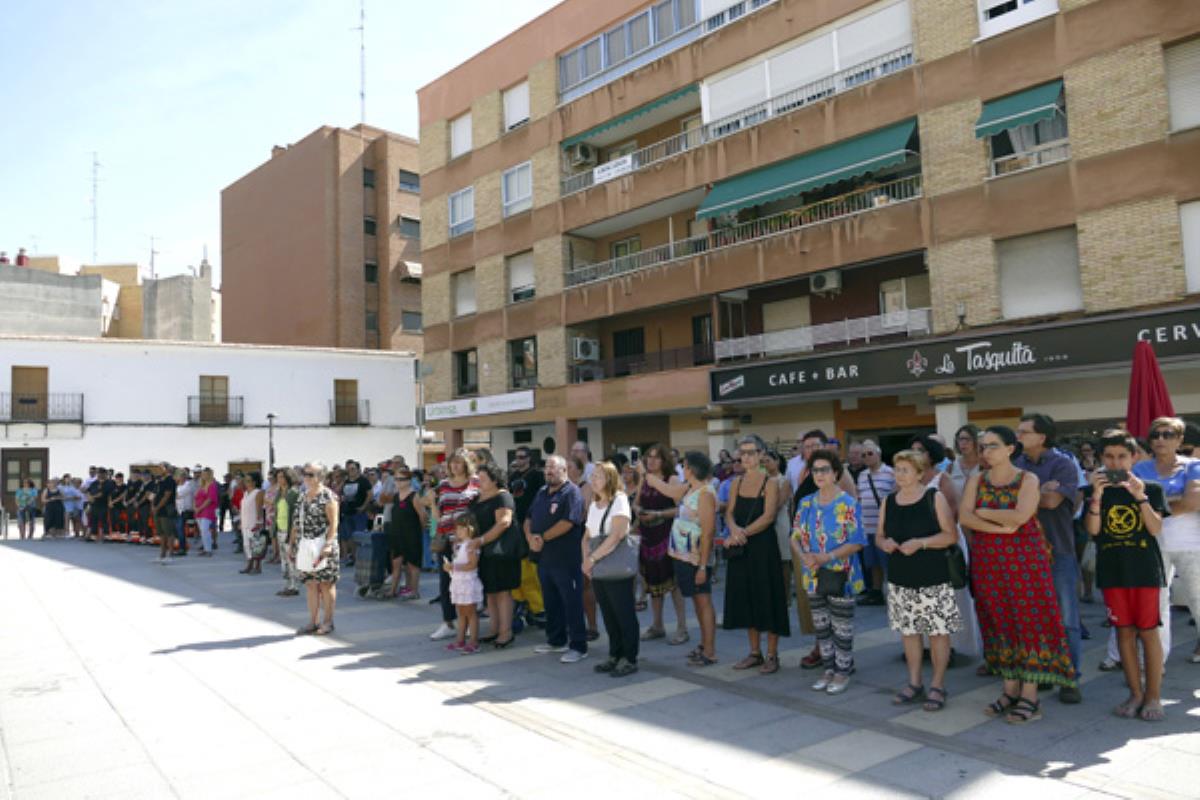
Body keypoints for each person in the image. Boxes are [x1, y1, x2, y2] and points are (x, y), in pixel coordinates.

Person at [959, 426, 1076, 725]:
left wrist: (983, 511)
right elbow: (964, 517)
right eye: (983, 446)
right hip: (988, 559)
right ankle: (1009, 689)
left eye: (993, 445)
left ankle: (1030, 696)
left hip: (1025, 560)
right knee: (998, 619)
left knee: (1029, 621)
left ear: (1011, 449)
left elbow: (1021, 516)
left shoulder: (1028, 479)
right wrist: (999, 525)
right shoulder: (976, 479)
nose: (986, 452)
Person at [1086, 430, 1169, 722]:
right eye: (1109, 457)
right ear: (1101, 459)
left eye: (1122, 456)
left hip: (1144, 570)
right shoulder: (1093, 490)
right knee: (1123, 632)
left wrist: (1140, 497)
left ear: (1134, 457)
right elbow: (1093, 531)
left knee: (1148, 632)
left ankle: (1153, 695)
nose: (1115, 463)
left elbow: (1155, 528)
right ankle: (1135, 693)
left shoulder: (1151, 489)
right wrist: (1096, 496)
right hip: (1112, 571)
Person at [877, 450, 962, 712]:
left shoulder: (933, 497)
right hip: (901, 576)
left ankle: (938, 685)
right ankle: (914, 683)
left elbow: (951, 536)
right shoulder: (888, 501)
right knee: (909, 632)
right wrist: (885, 543)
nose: (899, 474)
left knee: (937, 632)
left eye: (905, 469)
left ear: (919, 473)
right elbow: (879, 536)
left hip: (932, 574)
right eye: (897, 469)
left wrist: (921, 543)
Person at [1014, 413, 1083, 704]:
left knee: (1066, 619)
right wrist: (1039, 491)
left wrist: (1025, 496)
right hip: (1023, 552)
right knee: (1032, 618)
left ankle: (1070, 677)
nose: (1018, 437)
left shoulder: (1063, 464)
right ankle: (1041, 672)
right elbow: (1006, 501)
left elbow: (1053, 501)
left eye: (1024, 432)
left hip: (1058, 550)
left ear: (1041, 437)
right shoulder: (1015, 464)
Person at [792, 449, 866, 693]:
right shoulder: (806, 502)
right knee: (821, 626)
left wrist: (827, 556)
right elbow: (795, 536)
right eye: (815, 470)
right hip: (812, 573)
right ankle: (828, 669)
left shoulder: (848, 503)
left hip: (840, 573)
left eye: (824, 470)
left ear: (835, 473)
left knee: (841, 626)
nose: (819, 474)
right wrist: (804, 556)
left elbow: (857, 541)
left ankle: (843, 671)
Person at [1128, 416, 1200, 666]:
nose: (1160, 439)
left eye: (1167, 434)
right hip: (1152, 545)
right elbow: (1133, 505)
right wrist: (1177, 500)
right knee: (1157, 608)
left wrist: (1153, 505)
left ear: (1180, 440)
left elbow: (1194, 502)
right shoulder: (1139, 469)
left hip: (1192, 546)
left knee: (1198, 601)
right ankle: (1156, 664)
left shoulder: (1193, 465)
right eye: (1155, 435)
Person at [724, 434, 789, 674]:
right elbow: (729, 512)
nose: (746, 457)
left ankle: (772, 654)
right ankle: (754, 652)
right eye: (743, 452)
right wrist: (733, 529)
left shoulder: (770, 483)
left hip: (763, 548)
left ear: (761, 454)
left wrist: (741, 533)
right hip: (742, 547)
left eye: (751, 452)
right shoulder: (736, 482)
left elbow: (769, 516)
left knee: (767, 597)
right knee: (746, 598)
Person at [526, 455, 589, 664]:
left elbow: (568, 522)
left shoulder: (572, 492)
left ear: (564, 470)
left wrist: (542, 538)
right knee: (551, 601)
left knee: (572, 602)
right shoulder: (541, 492)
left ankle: (578, 646)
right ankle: (556, 640)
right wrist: (530, 539)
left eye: (553, 467)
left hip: (566, 560)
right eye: (546, 467)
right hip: (544, 559)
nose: (548, 471)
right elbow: (529, 518)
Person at [583, 461, 639, 677]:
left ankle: (629, 657)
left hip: (615, 566)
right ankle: (615, 654)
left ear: (609, 478)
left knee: (624, 614)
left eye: (598, 476)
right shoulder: (594, 504)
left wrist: (592, 558)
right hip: (598, 566)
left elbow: (617, 535)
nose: (593, 480)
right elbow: (587, 536)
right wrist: (585, 560)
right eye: (592, 476)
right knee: (608, 614)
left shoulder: (620, 500)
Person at [634, 444, 687, 645]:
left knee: (674, 584)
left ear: (665, 461)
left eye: (656, 457)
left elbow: (681, 509)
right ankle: (657, 625)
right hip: (648, 536)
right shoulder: (645, 479)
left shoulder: (671, 479)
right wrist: (639, 511)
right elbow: (636, 503)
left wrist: (658, 514)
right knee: (652, 584)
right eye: (649, 456)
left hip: (667, 535)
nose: (651, 460)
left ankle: (682, 628)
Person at [669, 452, 718, 667]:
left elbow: (708, 532)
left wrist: (702, 566)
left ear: (691, 469)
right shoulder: (691, 489)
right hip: (684, 555)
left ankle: (710, 651)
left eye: (685, 466)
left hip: (697, 557)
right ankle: (704, 644)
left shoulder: (705, 493)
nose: (683, 469)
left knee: (703, 601)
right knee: (698, 602)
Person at [431, 450, 479, 641]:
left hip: (466, 541)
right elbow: (438, 514)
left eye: (459, 462)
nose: (455, 466)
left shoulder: (475, 483)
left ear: (467, 464)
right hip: (445, 538)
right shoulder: (443, 485)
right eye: (452, 462)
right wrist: (432, 504)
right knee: (446, 582)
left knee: (468, 581)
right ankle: (448, 622)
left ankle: (467, 622)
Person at [472, 461, 520, 647]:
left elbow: (504, 522)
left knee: (502, 592)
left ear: (494, 480)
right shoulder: (477, 498)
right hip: (484, 553)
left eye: (483, 478)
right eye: (478, 478)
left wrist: (481, 540)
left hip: (501, 552)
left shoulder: (503, 497)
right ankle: (494, 629)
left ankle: (506, 632)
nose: (479, 481)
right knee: (490, 593)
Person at [292, 462, 340, 635]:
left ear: (321, 477)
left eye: (310, 474)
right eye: (304, 474)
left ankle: (328, 622)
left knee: (326, 584)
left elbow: (334, 524)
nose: (306, 477)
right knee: (311, 584)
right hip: (306, 544)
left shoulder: (328, 496)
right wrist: (292, 544)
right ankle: (313, 622)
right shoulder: (302, 495)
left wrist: (328, 545)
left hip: (323, 545)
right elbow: (296, 522)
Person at [855, 440, 895, 607]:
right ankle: (876, 593)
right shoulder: (862, 475)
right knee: (873, 563)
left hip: (884, 527)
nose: (867, 457)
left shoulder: (891, 473)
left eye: (870, 453)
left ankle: (894, 594)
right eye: (863, 455)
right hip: (867, 527)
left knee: (888, 563)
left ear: (878, 454)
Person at [444, 516, 485, 654]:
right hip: (458, 582)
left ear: (470, 529)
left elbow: (472, 565)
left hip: (468, 582)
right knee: (461, 612)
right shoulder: (458, 545)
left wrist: (454, 567)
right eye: (457, 528)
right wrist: (449, 567)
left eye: (462, 528)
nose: (458, 531)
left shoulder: (471, 545)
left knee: (471, 613)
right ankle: (460, 640)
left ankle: (474, 641)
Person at [387, 464, 428, 601]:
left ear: (409, 481)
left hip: (411, 534)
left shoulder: (414, 496)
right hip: (397, 534)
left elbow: (423, 516)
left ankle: (414, 591)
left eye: (401, 479)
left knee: (412, 564)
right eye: (396, 479)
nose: (398, 482)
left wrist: (420, 529)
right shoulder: (395, 496)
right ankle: (393, 590)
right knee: (396, 563)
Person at [339, 460, 372, 566]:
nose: (350, 471)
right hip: (347, 512)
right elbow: (340, 492)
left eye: (353, 469)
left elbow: (370, 494)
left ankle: (361, 558)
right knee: (350, 537)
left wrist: (363, 506)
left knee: (359, 535)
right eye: (349, 469)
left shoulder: (363, 481)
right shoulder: (346, 481)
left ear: (358, 470)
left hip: (359, 513)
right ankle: (354, 557)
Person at [271, 470, 299, 592]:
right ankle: (287, 584)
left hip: (290, 531)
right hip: (280, 529)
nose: (279, 479)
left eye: (282, 477)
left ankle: (294, 586)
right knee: (284, 560)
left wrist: (294, 532)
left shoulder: (294, 493)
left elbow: (296, 514)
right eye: (278, 477)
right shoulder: (279, 493)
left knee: (291, 558)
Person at [238, 472, 267, 574]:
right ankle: (249, 564)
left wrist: (259, 521)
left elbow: (259, 508)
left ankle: (257, 566)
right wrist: (240, 522)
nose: (246, 483)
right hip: (245, 522)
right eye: (245, 481)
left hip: (254, 522)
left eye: (248, 481)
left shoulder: (258, 492)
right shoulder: (246, 493)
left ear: (254, 482)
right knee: (246, 545)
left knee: (256, 545)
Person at [150, 464, 177, 563]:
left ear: (167, 470)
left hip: (166, 509)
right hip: (157, 510)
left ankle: (170, 555)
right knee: (161, 533)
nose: (158, 470)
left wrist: (157, 507)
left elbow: (166, 496)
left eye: (161, 468)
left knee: (169, 532)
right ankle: (162, 554)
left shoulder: (170, 480)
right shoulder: (158, 481)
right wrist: (152, 505)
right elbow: (153, 494)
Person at [949, 424, 982, 497]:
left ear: (977, 441)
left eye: (968, 439)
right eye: (960, 439)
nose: (963, 443)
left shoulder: (984, 465)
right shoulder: (951, 466)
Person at [194, 468, 218, 557]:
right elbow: (195, 498)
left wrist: (200, 508)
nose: (204, 476)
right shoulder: (201, 486)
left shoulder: (212, 486)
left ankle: (208, 549)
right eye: (203, 474)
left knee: (205, 529)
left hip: (207, 511)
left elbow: (210, 499)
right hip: (199, 512)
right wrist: (195, 507)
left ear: (210, 475)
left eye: (206, 474)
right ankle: (205, 548)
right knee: (202, 531)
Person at [175, 467, 195, 556]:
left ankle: (182, 548)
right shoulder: (178, 486)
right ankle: (180, 546)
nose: (178, 477)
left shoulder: (188, 485)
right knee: (178, 529)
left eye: (180, 476)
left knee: (180, 529)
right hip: (178, 510)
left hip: (185, 510)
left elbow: (178, 495)